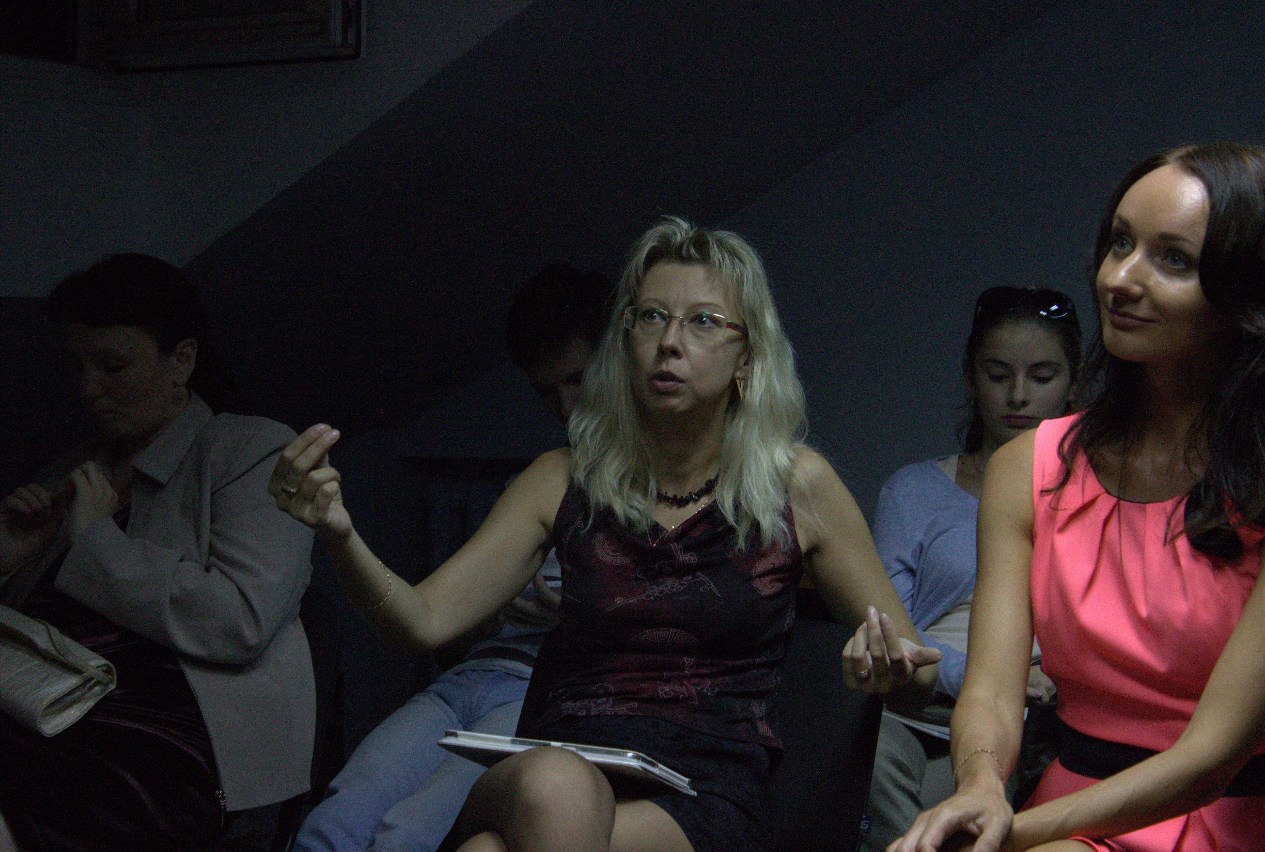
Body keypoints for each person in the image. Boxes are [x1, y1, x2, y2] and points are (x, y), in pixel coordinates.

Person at [273, 217, 941, 852]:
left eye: (703, 322)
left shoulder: (798, 485)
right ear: (625, 340)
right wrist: (339, 533)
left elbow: (919, 675)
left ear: (747, 359)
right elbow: (421, 622)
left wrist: (889, 667)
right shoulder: (562, 477)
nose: (670, 341)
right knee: (554, 785)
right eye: (651, 317)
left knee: (488, 848)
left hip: (703, 790)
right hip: (551, 761)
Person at [892, 142, 1265, 852]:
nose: (1120, 279)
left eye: (1173, 260)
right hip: (1072, 814)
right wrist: (979, 787)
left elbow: (1211, 758)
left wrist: (1008, 836)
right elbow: (993, 690)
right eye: (1120, 243)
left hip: (1237, 820)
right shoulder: (1028, 468)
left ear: (1244, 295)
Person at [0, 254, 316, 851]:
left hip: (167, 734)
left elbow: (239, 619)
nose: (89, 390)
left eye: (113, 367)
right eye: (79, 367)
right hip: (41, 708)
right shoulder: (74, 469)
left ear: (182, 360)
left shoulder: (251, 451)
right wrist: (14, 554)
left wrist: (96, 540)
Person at [294, 262, 611, 852]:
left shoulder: (668, 495)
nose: (568, 406)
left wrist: (581, 609)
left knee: (406, 835)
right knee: (331, 826)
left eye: (579, 379)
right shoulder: (542, 479)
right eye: (548, 390)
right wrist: (340, 533)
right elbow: (431, 621)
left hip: (544, 691)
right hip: (472, 675)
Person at [860, 286, 1081, 850]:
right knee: (865, 757)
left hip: (1033, 718)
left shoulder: (1091, 497)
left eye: (1042, 376)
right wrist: (990, 677)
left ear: (1072, 382)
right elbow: (891, 634)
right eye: (998, 374)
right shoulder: (914, 491)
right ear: (971, 379)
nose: (1018, 395)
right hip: (917, 708)